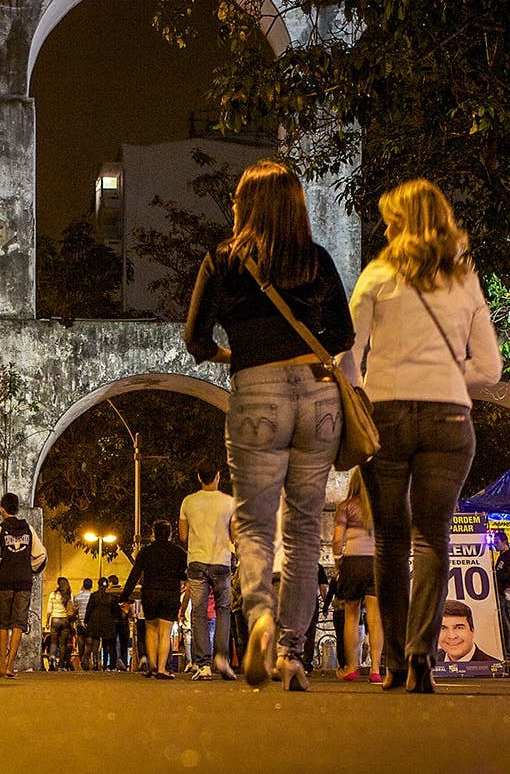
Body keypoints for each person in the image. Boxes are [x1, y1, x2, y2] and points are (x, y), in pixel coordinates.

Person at [184, 160, 355, 691]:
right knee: (304, 529)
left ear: (245, 205)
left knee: (256, 523)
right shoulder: (316, 260)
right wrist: (304, 349)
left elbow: (194, 339)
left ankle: (258, 617)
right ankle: (292, 654)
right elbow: (343, 332)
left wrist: (236, 352)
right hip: (318, 390)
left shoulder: (223, 259)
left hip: (256, 389)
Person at [346, 178, 501, 694]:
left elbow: (347, 353)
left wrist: (363, 390)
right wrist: (448, 376)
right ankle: (421, 655)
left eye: (390, 218)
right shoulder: (464, 278)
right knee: (433, 537)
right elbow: (492, 368)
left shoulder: (377, 275)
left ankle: (392, 660)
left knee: (390, 540)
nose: (384, 226)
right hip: (450, 419)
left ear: (404, 222)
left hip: (385, 415)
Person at [180, 464, 237, 681]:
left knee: (199, 614)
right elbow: (234, 535)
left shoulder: (188, 502)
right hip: (221, 562)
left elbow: (183, 536)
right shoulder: (229, 502)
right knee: (223, 609)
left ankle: (202, 665)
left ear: (198, 477)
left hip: (196, 562)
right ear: (218, 476)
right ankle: (221, 658)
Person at [118, 520, 189, 679]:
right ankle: (162, 669)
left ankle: (151, 665)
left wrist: (124, 596)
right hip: (170, 593)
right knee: (165, 633)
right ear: (170, 534)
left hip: (150, 593)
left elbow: (135, 574)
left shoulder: (146, 552)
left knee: (151, 630)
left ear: (153, 534)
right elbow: (185, 573)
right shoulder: (178, 552)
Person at [331, 469, 382, 681]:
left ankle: (352, 667)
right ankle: (376, 670)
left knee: (351, 615)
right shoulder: (381, 507)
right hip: (377, 562)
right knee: (375, 617)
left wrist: (337, 559)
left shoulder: (346, 506)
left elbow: (336, 539)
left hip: (353, 561)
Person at [0, 491, 46, 678]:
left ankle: (2, 664)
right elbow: (41, 554)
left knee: (4, 623)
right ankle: (11, 665)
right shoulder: (28, 529)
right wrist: (29, 568)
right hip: (24, 581)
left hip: (5, 581)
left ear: (2, 509)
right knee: (18, 624)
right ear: (18, 508)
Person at [45, 577, 74, 670]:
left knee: (53, 642)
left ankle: (52, 659)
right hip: (65, 620)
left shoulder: (53, 595)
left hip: (55, 619)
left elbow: (49, 610)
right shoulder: (69, 595)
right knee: (63, 644)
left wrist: (47, 621)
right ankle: (61, 664)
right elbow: (71, 609)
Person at [73, 577, 96, 669]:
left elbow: (75, 609)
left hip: (80, 622)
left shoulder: (77, 596)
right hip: (90, 622)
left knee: (81, 641)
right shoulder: (93, 596)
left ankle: (82, 659)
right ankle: (86, 657)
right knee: (89, 642)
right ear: (91, 586)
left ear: (83, 585)